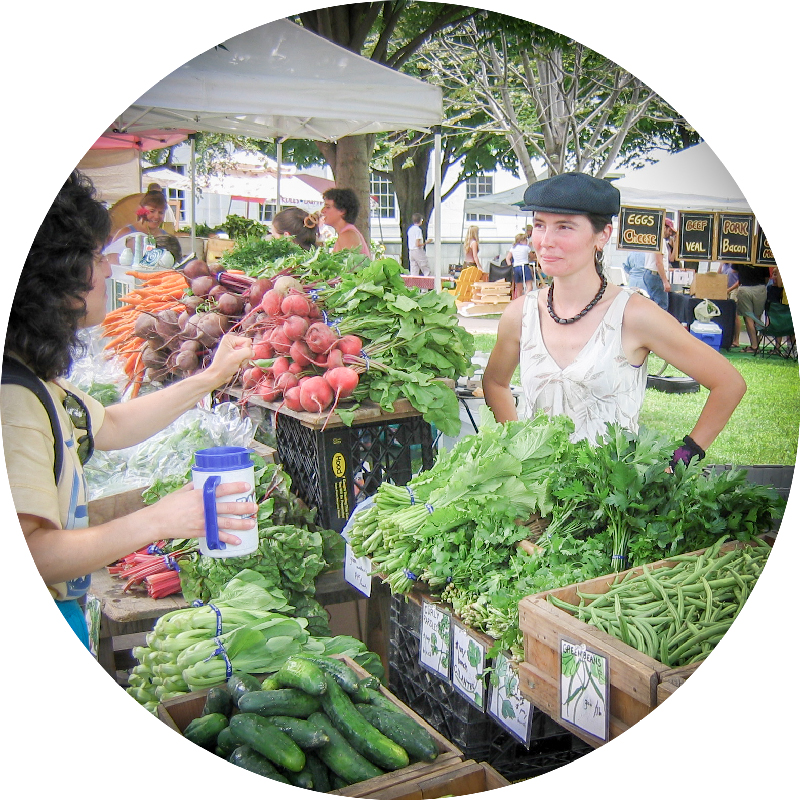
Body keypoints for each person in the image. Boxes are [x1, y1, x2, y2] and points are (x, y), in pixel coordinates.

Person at [1, 170, 256, 649]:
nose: (108, 272)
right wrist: (158, 520)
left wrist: (210, 377)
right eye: (97, 258)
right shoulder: (13, 402)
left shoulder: (37, 382)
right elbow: (31, 554)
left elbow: (114, 425)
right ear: (57, 273)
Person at [482, 172, 745, 466]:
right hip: (535, 504)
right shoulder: (520, 314)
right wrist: (515, 450)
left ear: (602, 235)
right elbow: (494, 382)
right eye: (540, 225)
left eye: (564, 227)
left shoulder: (633, 315)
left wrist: (681, 459)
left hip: (611, 502)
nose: (545, 241)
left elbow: (728, 384)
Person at [320, 188, 371, 258]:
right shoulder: (347, 233)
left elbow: (351, 267)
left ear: (342, 211)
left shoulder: (348, 236)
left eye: (328, 207)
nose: (322, 211)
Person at [732, 262, 769, 353]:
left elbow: (734, 270)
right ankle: (757, 344)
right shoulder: (760, 256)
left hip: (745, 288)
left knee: (748, 318)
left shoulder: (741, 254)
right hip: (760, 288)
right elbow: (767, 277)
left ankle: (754, 345)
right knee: (757, 319)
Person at [638, 218, 674, 311]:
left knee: (653, 305)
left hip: (649, 273)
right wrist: (665, 281)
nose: (670, 234)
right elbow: (659, 263)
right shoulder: (660, 242)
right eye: (669, 230)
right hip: (656, 275)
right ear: (664, 228)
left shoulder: (653, 239)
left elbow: (670, 258)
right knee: (661, 307)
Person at [720, 262, 741, 348]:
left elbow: (740, 280)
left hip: (734, 289)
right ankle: (728, 339)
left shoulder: (736, 263)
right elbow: (719, 275)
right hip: (725, 289)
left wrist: (729, 290)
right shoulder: (724, 264)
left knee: (735, 314)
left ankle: (736, 340)